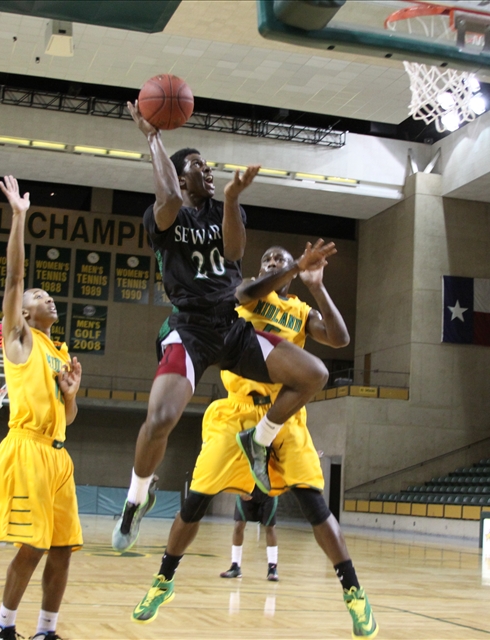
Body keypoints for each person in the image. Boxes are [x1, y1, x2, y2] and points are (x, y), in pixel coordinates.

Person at [112, 101, 333, 553]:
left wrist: (231, 198)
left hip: (232, 327)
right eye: (198, 166)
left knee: (314, 374)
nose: (208, 172)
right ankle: (136, 499)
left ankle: (261, 438)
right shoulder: (164, 216)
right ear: (179, 175)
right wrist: (153, 136)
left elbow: (234, 252)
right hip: (190, 330)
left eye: (209, 166)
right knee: (161, 418)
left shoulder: (223, 208)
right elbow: (169, 198)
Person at [129, 245, 378, 639]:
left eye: (280, 261)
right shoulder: (241, 292)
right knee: (195, 502)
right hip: (235, 411)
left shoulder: (297, 310)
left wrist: (317, 287)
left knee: (315, 504)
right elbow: (246, 293)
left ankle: (353, 591)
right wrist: (289, 268)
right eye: (267, 261)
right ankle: (163, 581)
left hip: (283, 412)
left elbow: (339, 338)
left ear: (291, 275)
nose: (273, 264)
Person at [0, 176, 83, 640]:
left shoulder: (58, 352)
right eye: (40, 297)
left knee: (62, 548)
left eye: (49, 296)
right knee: (33, 546)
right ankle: (0, 627)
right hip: (26, 451)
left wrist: (71, 395)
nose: (49, 298)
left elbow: (69, 421)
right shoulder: (19, 339)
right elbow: (14, 278)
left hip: (58, 454)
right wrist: (19, 218)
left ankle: (46, 631)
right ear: (23, 313)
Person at [219, 485, 279, 581]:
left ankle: (272, 568)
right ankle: (235, 566)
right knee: (239, 525)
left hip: (269, 490)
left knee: (270, 527)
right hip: (247, 488)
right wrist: (239, 488)